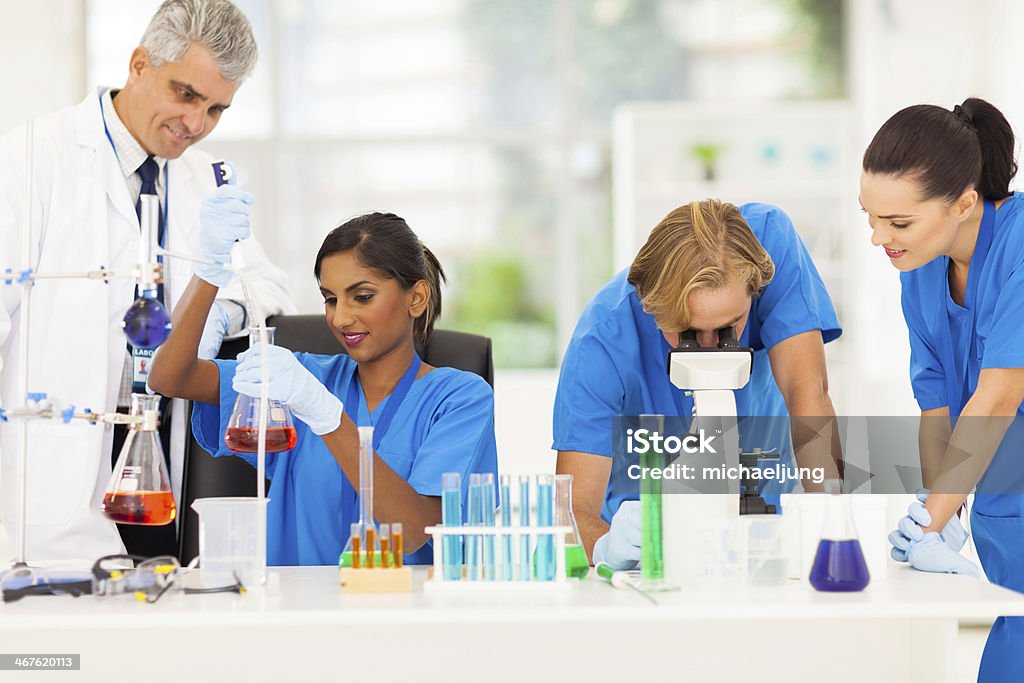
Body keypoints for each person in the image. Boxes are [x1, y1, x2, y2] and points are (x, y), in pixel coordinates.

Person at [0, 0, 293, 563]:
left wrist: (214, 318)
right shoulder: (33, 158)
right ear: (138, 64)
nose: (196, 124)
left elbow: (265, 285)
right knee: (72, 636)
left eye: (216, 109)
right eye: (185, 94)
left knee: (162, 618)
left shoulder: (204, 177)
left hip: (165, 447)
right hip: (60, 451)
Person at [148, 212, 498, 565]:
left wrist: (328, 418)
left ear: (417, 297)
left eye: (362, 296)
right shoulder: (301, 377)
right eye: (330, 299)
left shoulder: (460, 399)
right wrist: (209, 272)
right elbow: (168, 378)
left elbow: (412, 533)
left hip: (402, 611)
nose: (341, 318)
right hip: (297, 610)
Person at [552, 199, 842, 570]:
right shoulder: (602, 340)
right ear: (650, 308)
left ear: (756, 291)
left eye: (729, 328)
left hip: (766, 524)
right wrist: (609, 546)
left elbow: (808, 392)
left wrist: (836, 523)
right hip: (650, 550)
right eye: (687, 332)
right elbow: (571, 514)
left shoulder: (769, 242)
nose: (710, 349)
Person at [863, 97, 1024, 681]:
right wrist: (941, 510)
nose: (878, 237)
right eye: (871, 217)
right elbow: (937, 406)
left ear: (964, 202)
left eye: (898, 222)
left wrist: (931, 520)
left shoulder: (1021, 245)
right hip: (1008, 516)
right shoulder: (921, 269)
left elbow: (1000, 394)